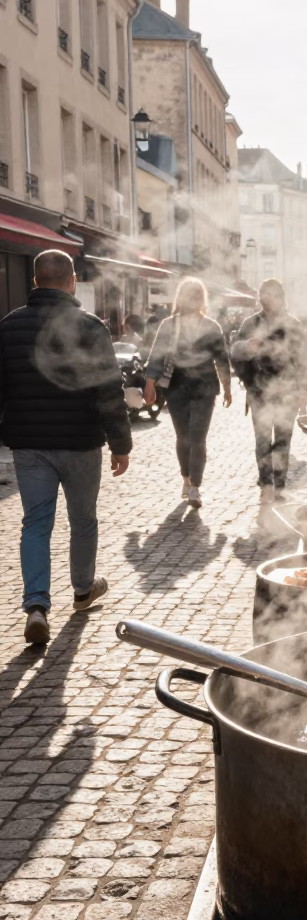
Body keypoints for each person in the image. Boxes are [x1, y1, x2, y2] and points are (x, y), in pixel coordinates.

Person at [0, 249, 132, 645]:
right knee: (83, 519)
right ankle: (82, 588)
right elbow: (109, 390)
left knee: (36, 523)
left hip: (29, 443)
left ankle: (36, 606)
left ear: (35, 282)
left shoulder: (7, 327)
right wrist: (120, 443)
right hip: (80, 441)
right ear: (72, 282)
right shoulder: (91, 326)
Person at [144, 277, 231, 509]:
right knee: (183, 437)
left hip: (205, 388)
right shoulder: (169, 325)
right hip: (178, 386)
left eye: (196, 295)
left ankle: (195, 486)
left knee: (198, 438)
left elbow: (222, 359)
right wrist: (150, 382)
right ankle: (186, 479)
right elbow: (157, 355)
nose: (192, 299)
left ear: (201, 299)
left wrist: (228, 386)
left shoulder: (212, 326)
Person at [230, 280, 307, 502]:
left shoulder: (292, 324)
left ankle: (279, 485)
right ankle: (266, 483)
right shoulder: (250, 323)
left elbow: (302, 360)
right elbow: (235, 353)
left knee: (283, 439)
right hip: (259, 390)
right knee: (263, 440)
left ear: (281, 298)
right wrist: (248, 346)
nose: (269, 300)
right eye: (265, 295)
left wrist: (304, 391)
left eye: (273, 295)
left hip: (288, 391)